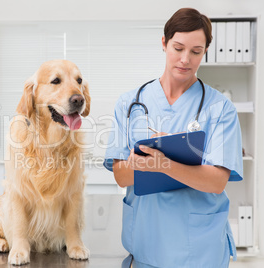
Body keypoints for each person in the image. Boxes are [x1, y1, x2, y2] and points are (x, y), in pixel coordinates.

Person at [104, 8, 243, 268]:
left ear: (205, 52)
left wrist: (165, 163)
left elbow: (217, 182)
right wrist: (143, 161)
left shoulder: (220, 108)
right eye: (178, 48)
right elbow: (121, 175)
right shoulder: (130, 103)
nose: (185, 59)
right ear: (164, 43)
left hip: (200, 251)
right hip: (147, 244)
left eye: (196, 51)